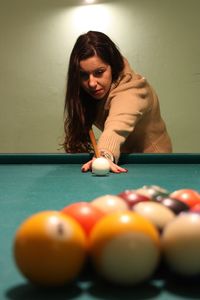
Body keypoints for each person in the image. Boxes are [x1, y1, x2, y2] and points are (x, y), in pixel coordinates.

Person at [63, 30, 172, 173]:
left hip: (153, 162)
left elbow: (118, 123)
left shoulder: (132, 90)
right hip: (121, 158)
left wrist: (104, 154)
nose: (91, 83)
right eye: (83, 75)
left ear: (112, 67)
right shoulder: (89, 91)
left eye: (99, 72)